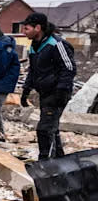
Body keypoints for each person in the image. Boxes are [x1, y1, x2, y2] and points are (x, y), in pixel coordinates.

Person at [20, 12, 76, 159]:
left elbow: (69, 68)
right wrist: (26, 90)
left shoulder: (56, 44)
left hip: (57, 93)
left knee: (44, 129)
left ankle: (45, 163)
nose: (23, 32)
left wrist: (62, 90)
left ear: (37, 28)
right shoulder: (34, 46)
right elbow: (33, 70)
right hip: (45, 93)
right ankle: (60, 161)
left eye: (26, 28)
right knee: (52, 128)